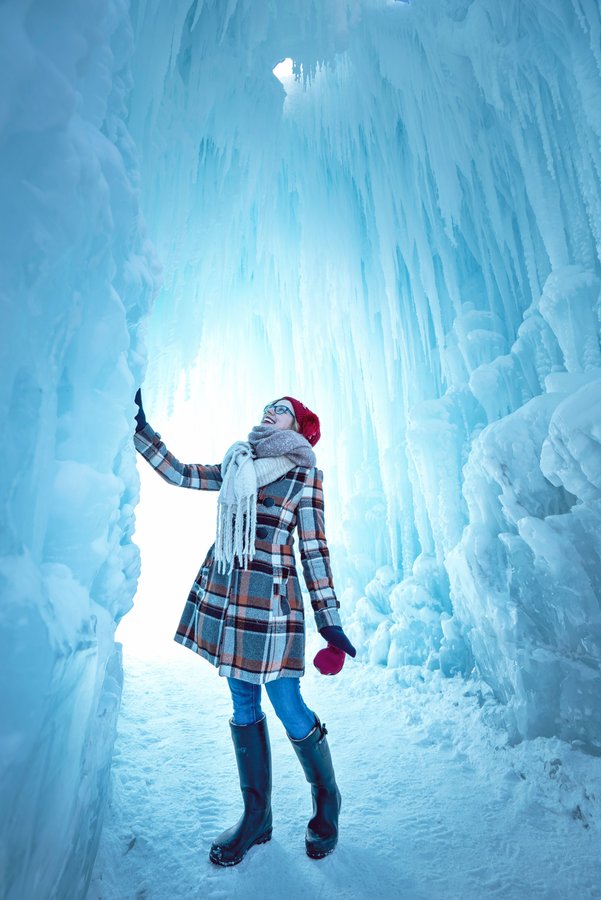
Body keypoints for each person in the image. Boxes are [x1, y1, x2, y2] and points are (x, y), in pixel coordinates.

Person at [133, 389, 356, 866]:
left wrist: (329, 622)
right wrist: (142, 433)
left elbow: (314, 550)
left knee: (287, 704)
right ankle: (257, 817)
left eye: (281, 410)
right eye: (267, 407)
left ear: (297, 428)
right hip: (232, 603)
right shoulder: (239, 463)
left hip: (273, 609)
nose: (269, 412)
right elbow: (182, 474)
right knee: (241, 700)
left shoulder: (304, 474)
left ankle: (327, 805)